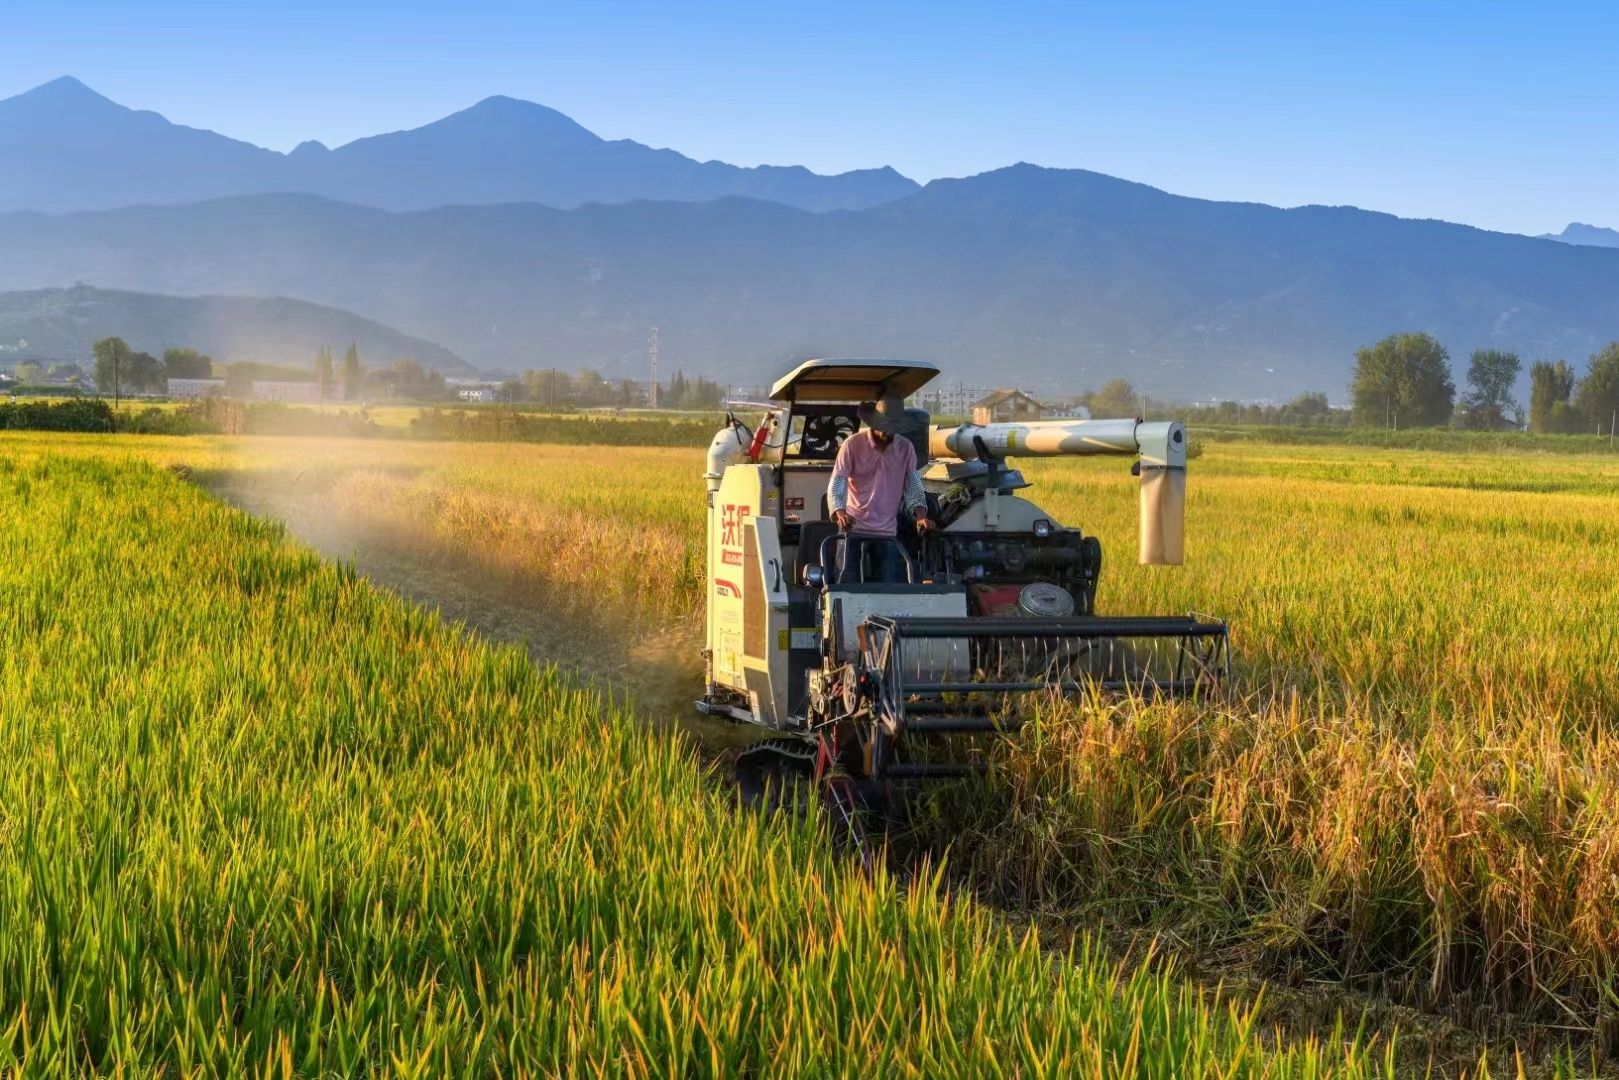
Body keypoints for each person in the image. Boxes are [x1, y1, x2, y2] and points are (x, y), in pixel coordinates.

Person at [827, 394, 933, 582]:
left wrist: (921, 516)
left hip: (887, 532)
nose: (887, 432)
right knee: (844, 583)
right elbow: (838, 481)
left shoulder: (905, 448)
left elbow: (912, 484)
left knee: (887, 584)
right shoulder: (852, 445)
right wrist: (840, 513)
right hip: (853, 528)